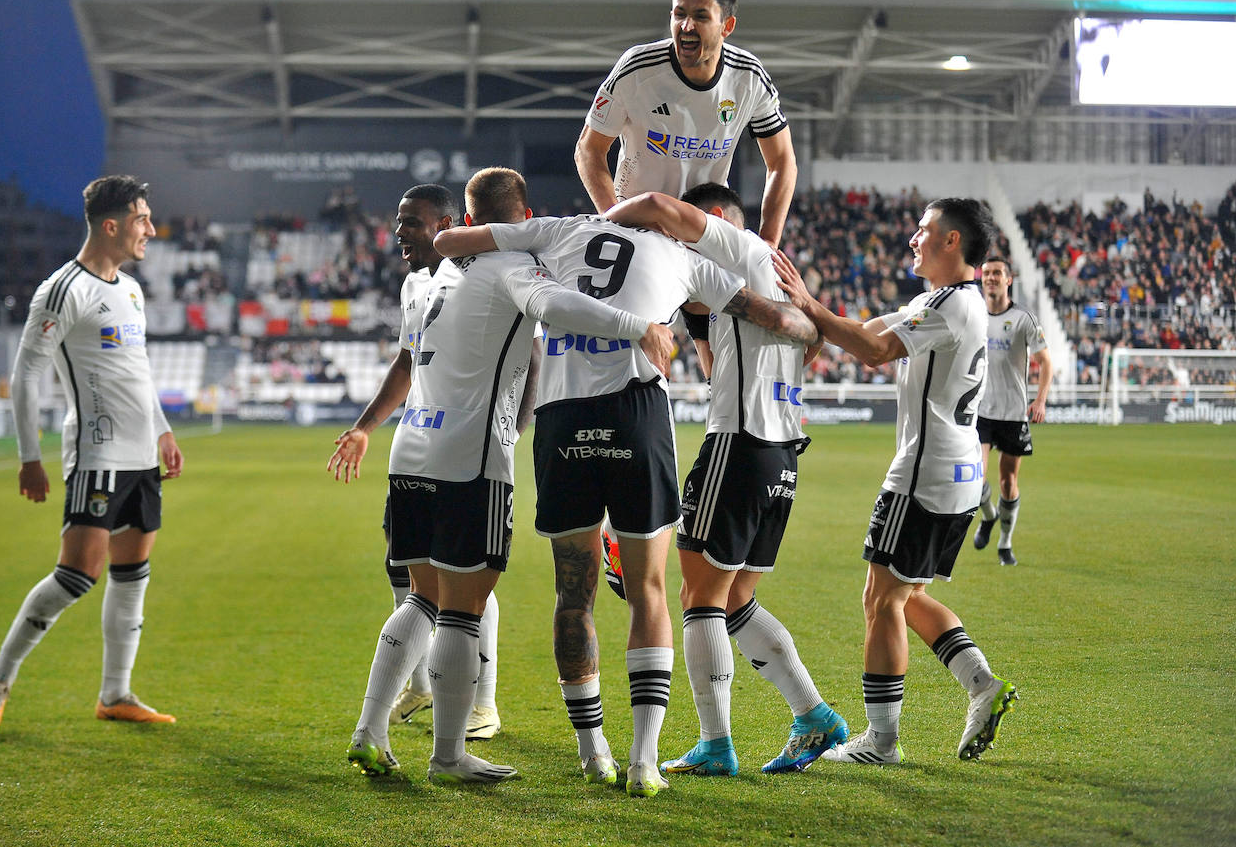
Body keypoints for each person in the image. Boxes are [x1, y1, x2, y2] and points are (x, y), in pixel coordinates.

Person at [434, 166, 818, 796]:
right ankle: (644, 759)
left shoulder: (554, 231)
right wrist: (808, 315)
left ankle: (594, 752)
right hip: (637, 411)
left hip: (561, 420)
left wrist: (462, 242)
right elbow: (781, 323)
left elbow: (456, 243)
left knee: (573, 594)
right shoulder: (686, 259)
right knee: (649, 590)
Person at [331, 167, 674, 784]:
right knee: (464, 608)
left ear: (463, 219)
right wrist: (637, 325)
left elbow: (410, 362)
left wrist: (364, 427)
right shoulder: (508, 268)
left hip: (410, 451)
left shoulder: (420, 283)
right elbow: (558, 307)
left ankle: (369, 730)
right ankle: (448, 755)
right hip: (472, 457)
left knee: (420, 598)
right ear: (520, 218)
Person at [603, 184, 849, 777]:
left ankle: (716, 744)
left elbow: (661, 206)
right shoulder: (775, 277)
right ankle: (814, 716)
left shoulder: (737, 247)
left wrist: (598, 224)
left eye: (686, 233)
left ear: (712, 220)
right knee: (736, 596)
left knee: (700, 597)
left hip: (738, 446)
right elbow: (810, 341)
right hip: (784, 454)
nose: (674, 239)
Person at [772, 198, 1017, 765]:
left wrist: (809, 304)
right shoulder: (947, 303)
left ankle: (880, 743)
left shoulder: (953, 306)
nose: (913, 238)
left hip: (924, 474)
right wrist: (817, 325)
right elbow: (865, 332)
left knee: (881, 599)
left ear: (952, 242)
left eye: (924, 230)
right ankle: (983, 686)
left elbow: (877, 350)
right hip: (956, 473)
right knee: (906, 596)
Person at [0, 175, 183, 736]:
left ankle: (115, 693)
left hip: (142, 456)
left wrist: (162, 431)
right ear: (110, 225)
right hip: (98, 452)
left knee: (132, 573)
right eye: (142, 219)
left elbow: (138, 373)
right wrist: (28, 456)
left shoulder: (131, 289)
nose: (151, 229)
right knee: (77, 573)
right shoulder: (64, 289)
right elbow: (24, 377)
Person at [327, 185, 500, 773]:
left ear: (449, 223)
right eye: (397, 221)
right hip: (422, 448)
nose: (399, 232)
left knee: (456, 589)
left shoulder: (482, 275)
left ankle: (478, 703)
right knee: (435, 586)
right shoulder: (414, 285)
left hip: (461, 447)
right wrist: (364, 427)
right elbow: (406, 362)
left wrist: (514, 426)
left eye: (411, 222)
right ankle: (434, 712)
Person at [574, 0, 796, 246]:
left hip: (706, 230)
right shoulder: (637, 69)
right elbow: (588, 149)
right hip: (639, 230)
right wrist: (615, 219)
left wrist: (769, 244)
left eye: (700, 17)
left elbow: (782, 162)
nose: (686, 26)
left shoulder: (749, 77)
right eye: (680, 14)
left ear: (727, 26)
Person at [969, 256, 1052, 567]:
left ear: (1008, 279)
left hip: (1014, 413)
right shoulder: (973, 315)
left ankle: (1005, 543)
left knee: (1007, 483)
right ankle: (988, 516)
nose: (991, 277)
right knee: (975, 478)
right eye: (987, 272)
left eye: (997, 273)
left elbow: (1046, 363)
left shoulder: (1023, 319)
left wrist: (1040, 400)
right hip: (979, 412)